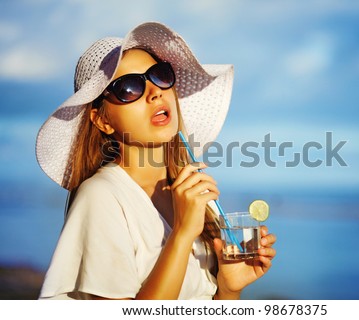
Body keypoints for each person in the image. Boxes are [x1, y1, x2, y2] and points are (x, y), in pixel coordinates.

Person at [36, 22, 276, 300]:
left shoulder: (193, 192)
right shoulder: (101, 197)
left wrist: (229, 288)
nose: (155, 92)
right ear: (102, 119)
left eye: (160, 75)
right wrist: (183, 234)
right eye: (129, 88)